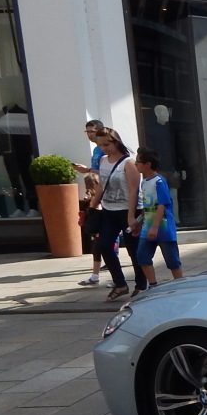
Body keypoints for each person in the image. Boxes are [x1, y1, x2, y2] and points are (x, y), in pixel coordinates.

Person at [89, 127, 142, 302]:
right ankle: (120, 284)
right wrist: (92, 207)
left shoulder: (129, 163)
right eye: (100, 145)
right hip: (109, 210)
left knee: (134, 250)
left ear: (116, 142)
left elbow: (134, 191)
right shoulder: (103, 160)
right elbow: (101, 186)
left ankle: (141, 285)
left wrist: (131, 216)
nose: (104, 148)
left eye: (107, 144)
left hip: (128, 209)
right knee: (104, 245)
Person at [133, 147, 184, 288]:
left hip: (163, 227)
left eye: (138, 162)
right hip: (148, 226)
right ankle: (153, 285)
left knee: (172, 260)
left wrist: (155, 227)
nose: (135, 165)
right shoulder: (144, 182)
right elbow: (147, 207)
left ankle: (180, 285)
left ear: (148, 164)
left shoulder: (159, 182)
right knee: (142, 256)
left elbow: (162, 204)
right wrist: (139, 222)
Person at [77, 172, 104, 285]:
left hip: (100, 231)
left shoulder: (96, 198)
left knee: (102, 252)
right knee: (97, 251)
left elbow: (98, 213)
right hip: (100, 230)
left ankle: (97, 276)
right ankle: (95, 276)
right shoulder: (95, 197)